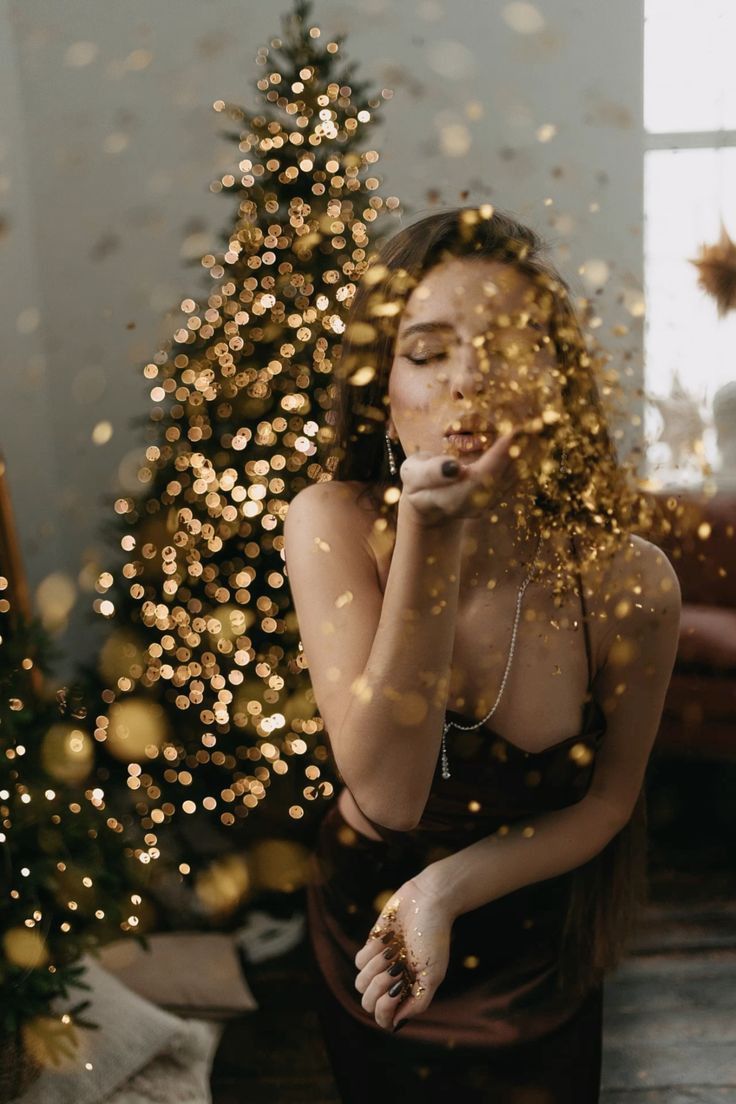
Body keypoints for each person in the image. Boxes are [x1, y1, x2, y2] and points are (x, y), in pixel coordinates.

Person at [283, 206, 681, 1102]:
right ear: (384, 385)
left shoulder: (630, 582)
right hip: (366, 929)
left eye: (506, 346)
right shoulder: (331, 522)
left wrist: (444, 893)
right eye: (426, 352)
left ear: (557, 384)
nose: (469, 382)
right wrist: (432, 531)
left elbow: (611, 803)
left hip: (535, 936)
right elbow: (389, 795)